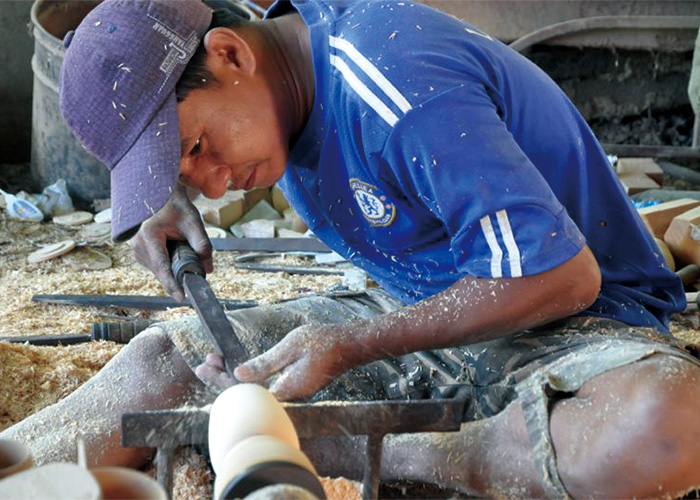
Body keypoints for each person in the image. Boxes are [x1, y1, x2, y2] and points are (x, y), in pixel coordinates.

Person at [3, 0, 700, 498]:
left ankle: (424, 455)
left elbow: (565, 278)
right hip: (413, 298)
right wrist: (166, 188)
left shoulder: (394, 80)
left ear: (231, 54)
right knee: (164, 358)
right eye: (191, 170)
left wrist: (358, 343)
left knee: (663, 421)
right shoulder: (269, 50)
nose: (214, 182)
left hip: (565, 321)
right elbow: (184, 91)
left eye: (199, 150)